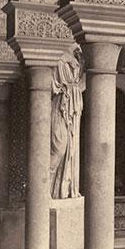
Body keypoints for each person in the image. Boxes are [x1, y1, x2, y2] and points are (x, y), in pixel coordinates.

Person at [50, 46, 84, 199]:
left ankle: (63, 190)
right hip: (60, 106)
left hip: (73, 109)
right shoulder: (60, 57)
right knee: (59, 147)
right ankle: (43, 188)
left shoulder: (76, 58)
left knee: (71, 148)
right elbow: (53, 84)